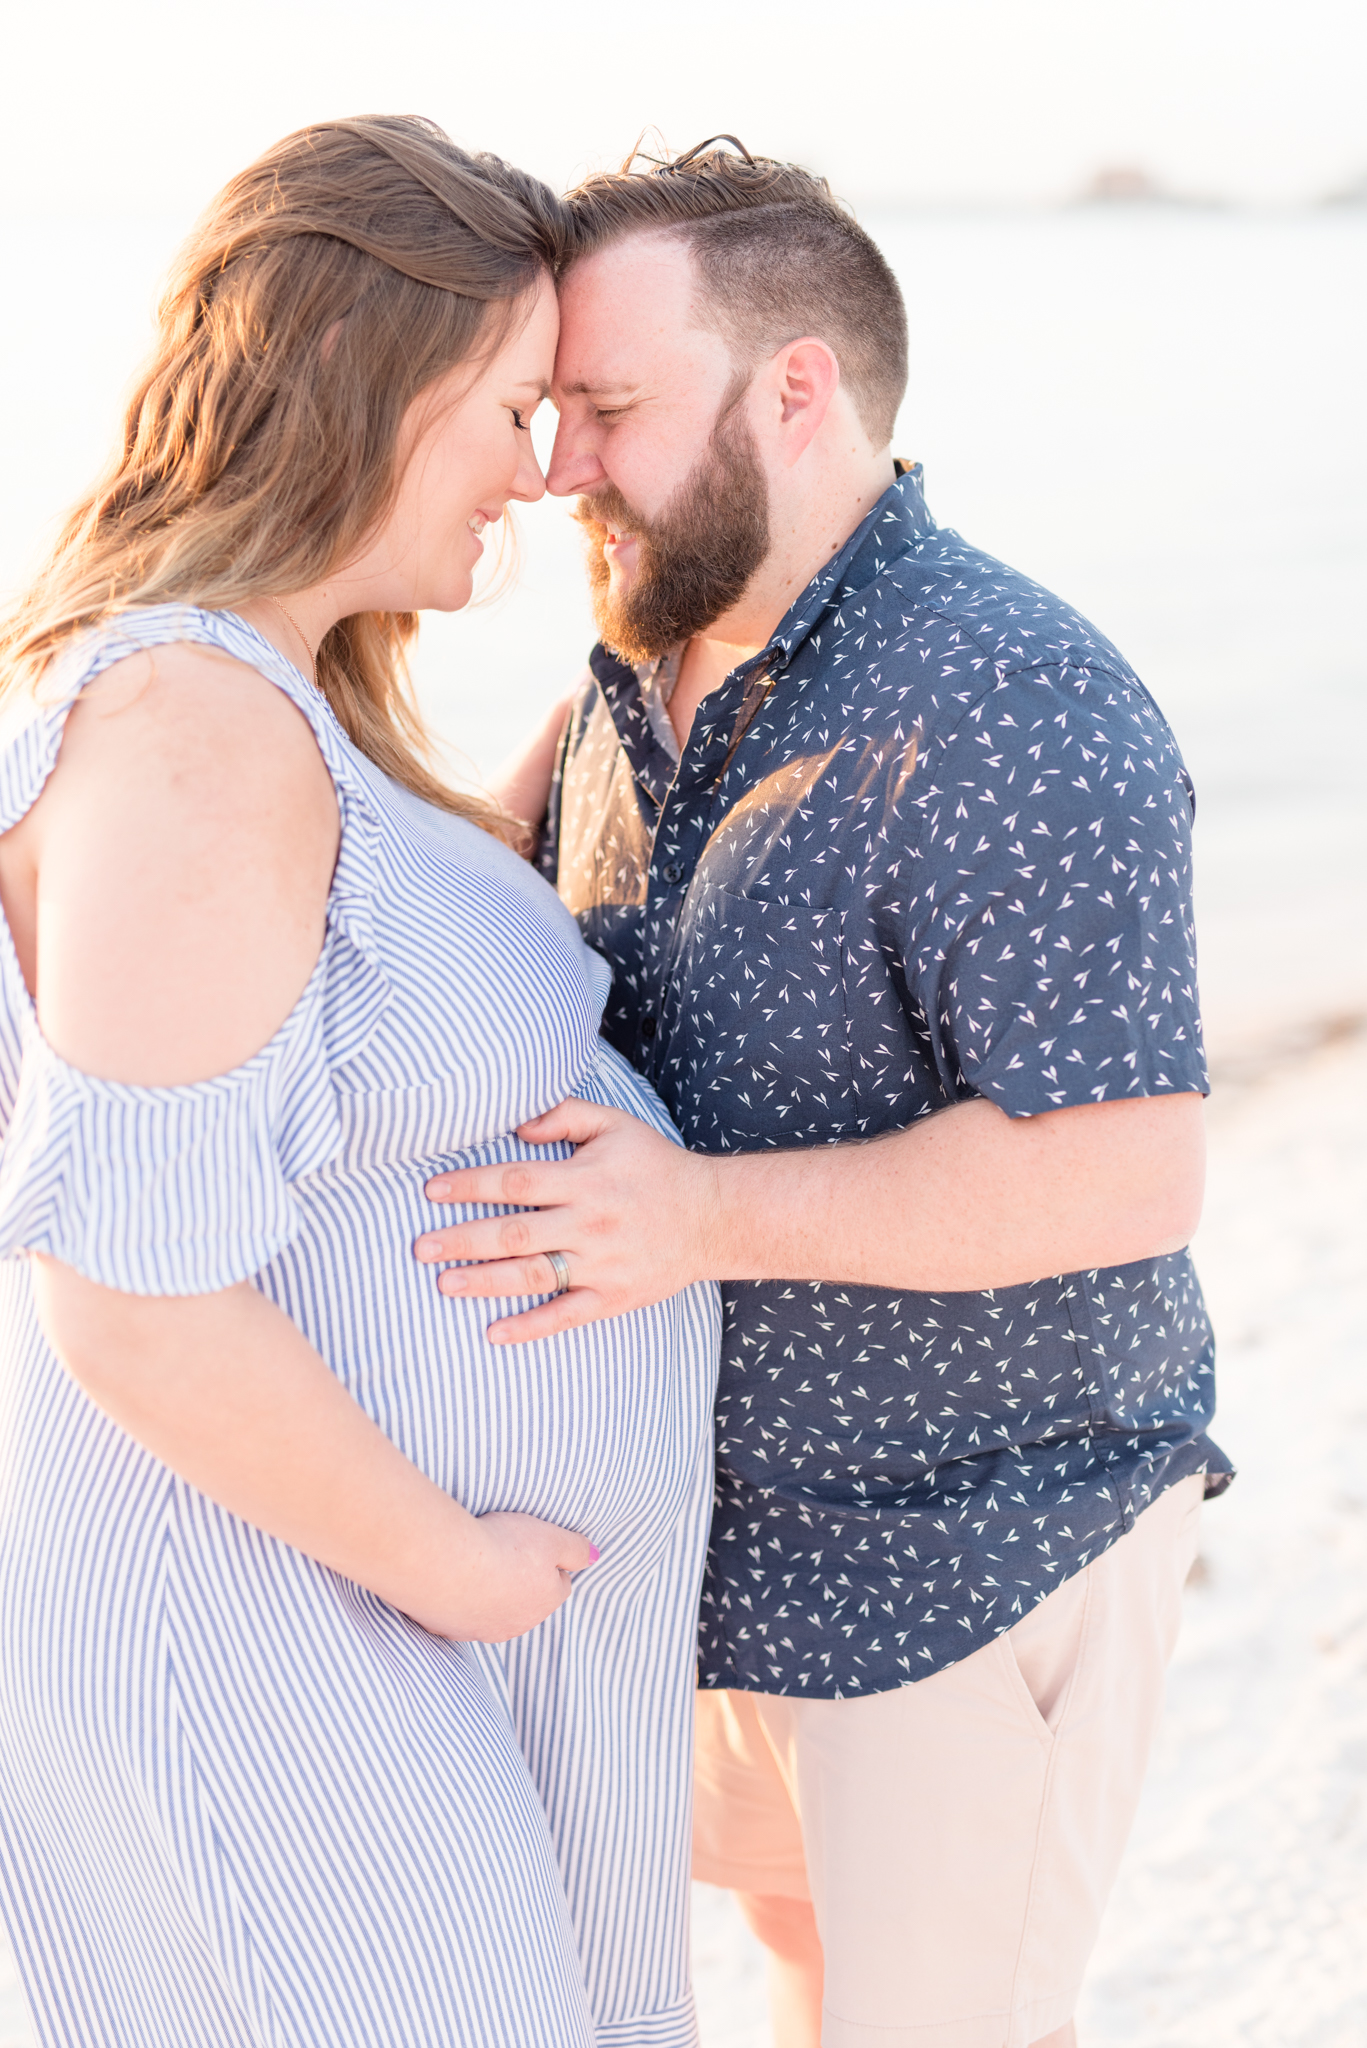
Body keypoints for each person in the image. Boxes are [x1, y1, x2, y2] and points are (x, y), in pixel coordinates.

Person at [416, 139, 1232, 2048]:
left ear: (798, 389)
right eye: (550, 413)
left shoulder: (1017, 706)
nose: (557, 469)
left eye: (609, 409)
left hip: (973, 1558)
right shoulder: (631, 672)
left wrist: (693, 1216)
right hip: (716, 1571)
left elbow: (1128, 1169)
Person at [0, 118, 719, 2048]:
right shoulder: (191, 721)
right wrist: (461, 1576)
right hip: (258, 1629)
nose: (545, 463)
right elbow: (130, 1298)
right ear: (367, 383)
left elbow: (350, 988)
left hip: (336, 1611)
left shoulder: (274, 707)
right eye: (510, 406)